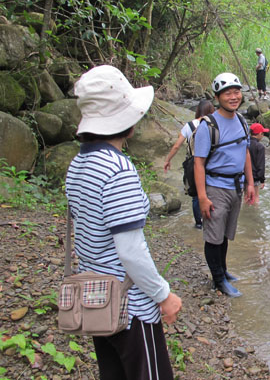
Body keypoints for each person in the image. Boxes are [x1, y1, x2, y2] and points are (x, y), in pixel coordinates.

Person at [65, 65, 182, 379]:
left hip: (96, 298)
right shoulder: (118, 171)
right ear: (128, 120)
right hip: (129, 307)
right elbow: (130, 250)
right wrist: (163, 295)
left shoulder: (78, 164)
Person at [194, 73, 256, 298]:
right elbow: (199, 163)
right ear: (217, 97)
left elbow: (245, 151)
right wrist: (202, 197)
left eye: (236, 92)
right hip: (215, 186)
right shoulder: (208, 125)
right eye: (227, 93)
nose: (233, 97)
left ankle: (224, 270)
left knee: (225, 233)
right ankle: (218, 279)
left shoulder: (241, 120)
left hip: (236, 186)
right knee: (214, 235)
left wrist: (250, 183)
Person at [163, 99, 215, 229]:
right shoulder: (214, 124)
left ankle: (199, 223)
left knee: (196, 195)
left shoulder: (189, 126)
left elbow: (176, 146)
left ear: (198, 110)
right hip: (212, 162)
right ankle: (212, 221)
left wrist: (167, 160)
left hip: (194, 164)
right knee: (213, 191)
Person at [249, 123, 268, 199]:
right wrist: (262, 180)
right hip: (254, 178)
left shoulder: (245, 144)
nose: (263, 136)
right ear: (260, 134)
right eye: (263, 133)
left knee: (246, 198)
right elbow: (261, 165)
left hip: (243, 176)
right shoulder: (260, 147)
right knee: (255, 198)